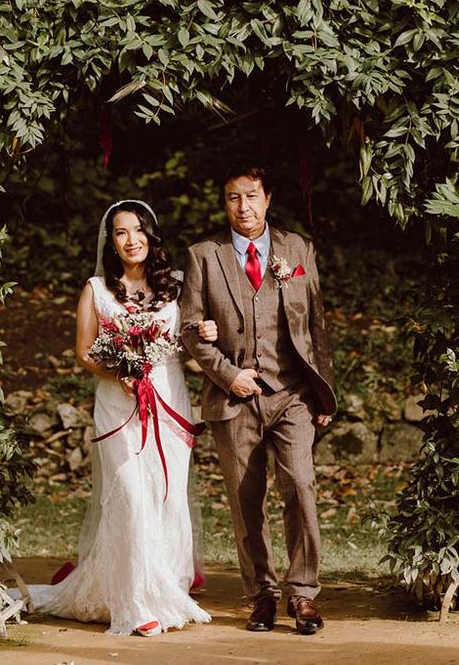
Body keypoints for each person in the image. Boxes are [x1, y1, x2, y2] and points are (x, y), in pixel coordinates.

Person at [22, 200, 216, 636]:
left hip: (168, 401)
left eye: (138, 230)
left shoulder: (178, 287)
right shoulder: (96, 289)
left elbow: (190, 344)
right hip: (117, 405)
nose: (132, 240)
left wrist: (207, 333)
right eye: (121, 233)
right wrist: (121, 371)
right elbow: (85, 351)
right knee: (129, 494)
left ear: (152, 234)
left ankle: (164, 586)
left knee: (166, 496)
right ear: (110, 242)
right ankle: (133, 603)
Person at [179, 164, 336, 635]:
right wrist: (229, 375)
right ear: (224, 203)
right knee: (246, 500)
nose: (242, 207)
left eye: (250, 196)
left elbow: (316, 324)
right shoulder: (204, 257)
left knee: (301, 489)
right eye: (232, 198)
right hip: (235, 401)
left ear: (267, 198)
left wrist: (325, 391)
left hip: (292, 395)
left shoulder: (296, 249)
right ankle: (262, 595)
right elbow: (191, 330)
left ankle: (303, 594)